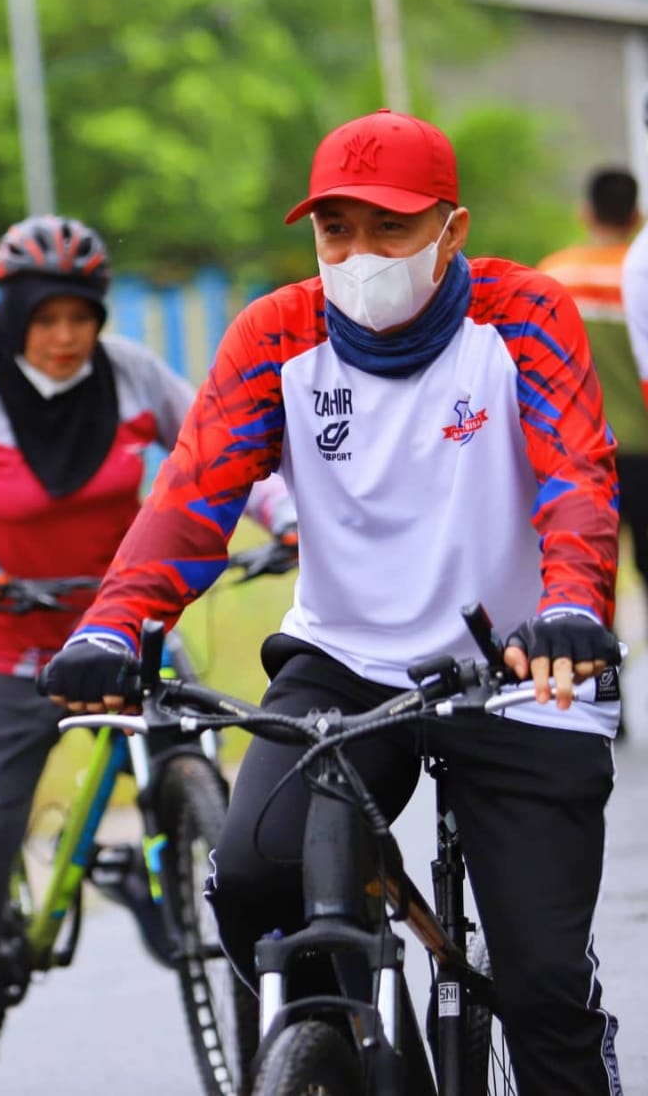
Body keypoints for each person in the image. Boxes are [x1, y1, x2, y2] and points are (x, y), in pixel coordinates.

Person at [40, 110, 623, 1094]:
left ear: (451, 231)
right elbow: (190, 501)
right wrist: (111, 625)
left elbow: (575, 478)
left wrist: (571, 607)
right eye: (334, 230)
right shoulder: (275, 334)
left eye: (390, 229)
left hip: (523, 670)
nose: (358, 256)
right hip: (345, 665)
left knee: (541, 987)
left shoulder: (524, 314)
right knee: (253, 881)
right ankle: (350, 1049)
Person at [0, 213, 295, 1074]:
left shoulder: (133, 375)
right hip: (11, 639)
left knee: (193, 749)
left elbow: (221, 453)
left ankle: (163, 846)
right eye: (46, 319)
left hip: (125, 623)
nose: (65, 337)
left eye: (81, 317)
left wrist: (284, 517)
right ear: (12, 317)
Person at [539, 170, 648, 610]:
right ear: (637, 215)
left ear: (586, 213)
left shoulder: (553, 277)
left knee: (588, 574)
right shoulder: (640, 271)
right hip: (644, 448)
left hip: (580, 451)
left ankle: (600, 655)